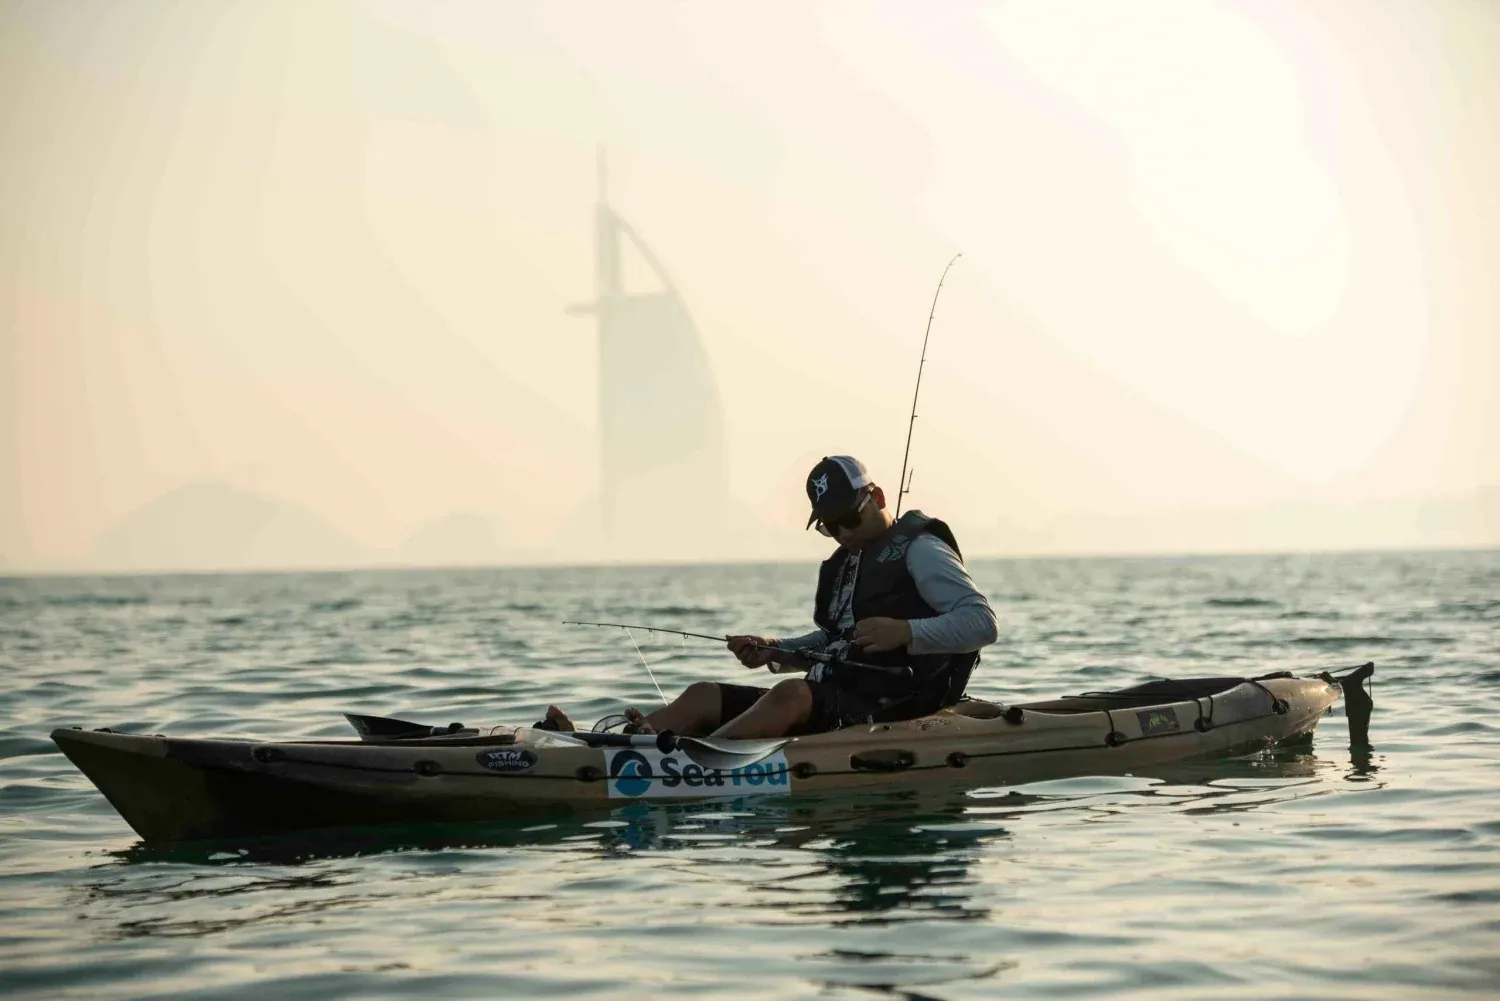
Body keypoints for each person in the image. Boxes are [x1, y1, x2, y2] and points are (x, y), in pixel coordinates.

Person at [544, 455, 997, 740]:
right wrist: (775, 649)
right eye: (828, 526)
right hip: (845, 693)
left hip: (900, 700)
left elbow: (981, 623)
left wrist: (906, 632)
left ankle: (687, 759)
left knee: (791, 696)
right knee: (703, 694)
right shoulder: (854, 560)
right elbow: (836, 642)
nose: (841, 534)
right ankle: (606, 743)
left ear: (876, 496)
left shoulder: (922, 550)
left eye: (847, 519)